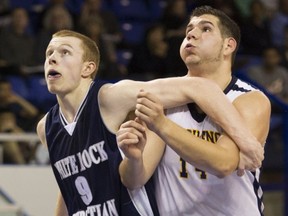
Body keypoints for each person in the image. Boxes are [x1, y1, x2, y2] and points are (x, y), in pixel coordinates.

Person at [36, 29, 265, 216]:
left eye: (64, 52)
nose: (52, 58)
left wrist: (246, 141)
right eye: (49, 54)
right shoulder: (46, 127)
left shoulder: (110, 97)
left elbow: (199, 86)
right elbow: (68, 187)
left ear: (88, 68)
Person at [117, 6, 271, 215]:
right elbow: (133, 180)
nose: (191, 33)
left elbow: (224, 163)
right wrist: (133, 159)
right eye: (189, 29)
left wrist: (161, 124)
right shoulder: (166, 99)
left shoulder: (249, 99)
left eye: (206, 29)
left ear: (228, 46)